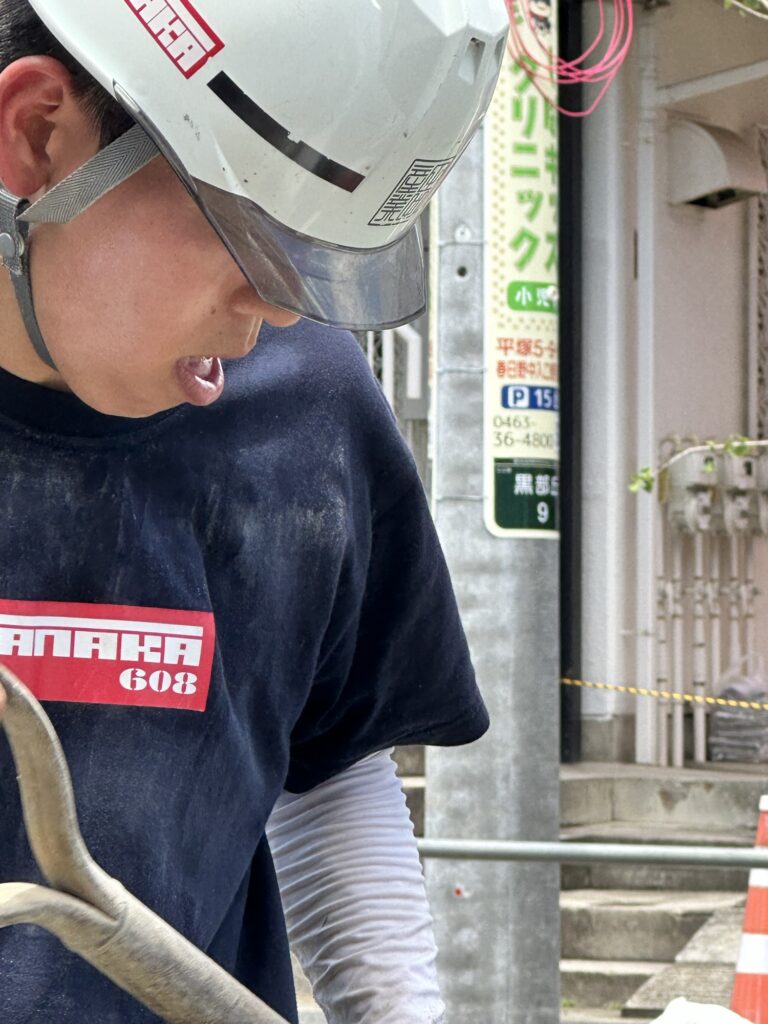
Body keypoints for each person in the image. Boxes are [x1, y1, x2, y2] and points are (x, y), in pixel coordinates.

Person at [0, 1, 508, 1021]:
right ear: (40, 134)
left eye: (312, 256)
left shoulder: (308, 408)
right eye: (246, 229)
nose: (276, 305)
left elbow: (330, 772)